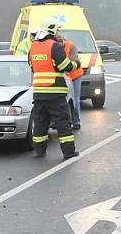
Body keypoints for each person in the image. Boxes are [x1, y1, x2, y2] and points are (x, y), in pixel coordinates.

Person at [28, 17, 81, 159]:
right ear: (51, 30)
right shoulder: (55, 46)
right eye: (57, 30)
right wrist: (76, 64)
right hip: (55, 92)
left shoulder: (33, 47)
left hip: (38, 92)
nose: (58, 33)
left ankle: (39, 151)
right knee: (63, 122)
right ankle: (68, 152)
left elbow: (32, 67)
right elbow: (64, 66)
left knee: (40, 122)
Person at [62, 36, 84, 130]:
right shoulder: (54, 46)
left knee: (75, 99)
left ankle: (76, 122)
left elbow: (74, 61)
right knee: (65, 99)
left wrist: (66, 68)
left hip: (75, 75)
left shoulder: (71, 46)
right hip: (64, 76)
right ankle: (67, 120)